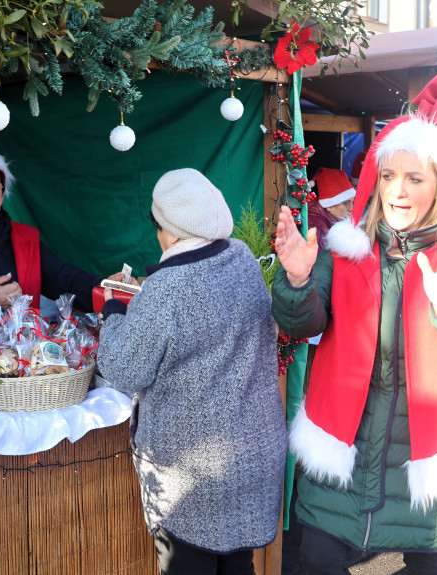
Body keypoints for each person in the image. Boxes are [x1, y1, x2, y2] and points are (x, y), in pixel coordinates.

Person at [272, 111, 437, 574]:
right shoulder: (344, 253)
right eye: (387, 175)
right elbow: (301, 324)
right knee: (317, 558)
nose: (398, 190)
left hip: (426, 456)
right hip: (344, 444)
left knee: (426, 570)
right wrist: (298, 279)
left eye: (414, 178)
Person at [97, 168, 286, 575]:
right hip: (252, 455)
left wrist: (113, 311)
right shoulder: (241, 258)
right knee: (238, 566)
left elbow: (123, 368)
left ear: (169, 229)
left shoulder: (167, 286)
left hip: (193, 472)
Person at [0, 142, 132, 310]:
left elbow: (66, 281)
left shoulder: (25, 239)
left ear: (2, 195)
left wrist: (106, 287)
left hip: (23, 349)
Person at [306, 167, 356, 251]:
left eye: (353, 202)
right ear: (329, 206)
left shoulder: (328, 221)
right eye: (346, 203)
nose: (352, 208)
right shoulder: (317, 229)